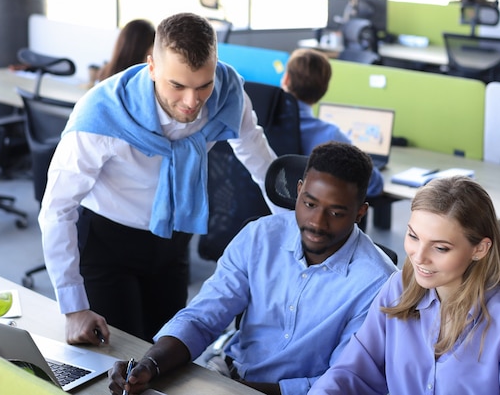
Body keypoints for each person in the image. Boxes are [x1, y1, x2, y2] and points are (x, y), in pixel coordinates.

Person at [38, 12, 281, 344]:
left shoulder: (227, 94)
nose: (191, 102)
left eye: (203, 85)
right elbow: (57, 208)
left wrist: (296, 223)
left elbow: (260, 159)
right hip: (109, 244)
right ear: (152, 67)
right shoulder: (102, 114)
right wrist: (73, 307)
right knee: (119, 358)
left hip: (173, 241)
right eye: (177, 86)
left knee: (167, 352)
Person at [108, 141, 398, 395]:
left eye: (336, 213)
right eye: (309, 204)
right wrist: (150, 364)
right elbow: (202, 318)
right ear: (298, 191)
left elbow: (345, 380)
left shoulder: (377, 283)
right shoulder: (261, 236)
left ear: (361, 212)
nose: (317, 223)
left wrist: (240, 392)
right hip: (226, 373)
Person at [308, 175, 500, 395]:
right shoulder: (398, 288)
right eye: (413, 236)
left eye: (440, 247)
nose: (419, 256)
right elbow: (353, 372)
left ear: (479, 249)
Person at [280, 48, 383, 197]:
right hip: (308, 217)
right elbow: (374, 184)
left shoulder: (259, 121)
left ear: (286, 79)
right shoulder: (330, 136)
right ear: (324, 89)